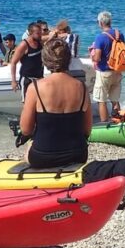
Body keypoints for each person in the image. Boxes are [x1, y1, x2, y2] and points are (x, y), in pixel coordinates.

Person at [19, 38, 91, 167]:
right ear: (68, 59)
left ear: (45, 60)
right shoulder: (81, 87)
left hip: (43, 155)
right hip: (78, 154)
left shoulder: (35, 87)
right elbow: (87, 130)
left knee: (29, 146)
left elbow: (25, 129)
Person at [90, 10, 125, 121]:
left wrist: (92, 54)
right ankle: (119, 120)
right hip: (117, 70)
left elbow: (97, 58)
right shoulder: (119, 34)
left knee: (102, 100)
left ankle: (104, 124)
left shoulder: (100, 38)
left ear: (100, 23)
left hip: (104, 72)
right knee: (115, 99)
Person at [10, 21, 44, 99]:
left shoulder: (39, 42)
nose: (40, 35)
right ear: (30, 33)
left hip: (39, 78)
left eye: (40, 33)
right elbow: (13, 62)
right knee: (27, 103)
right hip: (27, 79)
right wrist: (13, 81)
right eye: (38, 33)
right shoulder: (24, 45)